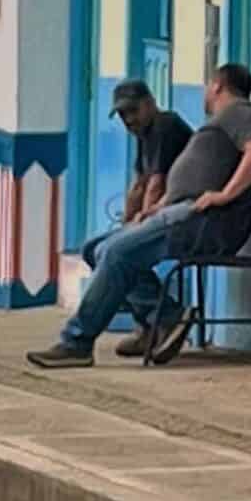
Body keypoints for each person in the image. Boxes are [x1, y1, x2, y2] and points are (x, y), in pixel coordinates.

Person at [29, 63, 251, 370]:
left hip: (201, 219)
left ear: (217, 86)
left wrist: (225, 194)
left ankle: (77, 342)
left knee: (116, 252)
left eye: (206, 86)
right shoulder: (219, 121)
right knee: (96, 248)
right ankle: (164, 319)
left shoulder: (240, 112)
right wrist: (157, 207)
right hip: (178, 212)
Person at [80, 80, 196, 359]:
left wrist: (137, 227)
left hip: (180, 218)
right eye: (122, 115)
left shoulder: (165, 126)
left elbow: (157, 183)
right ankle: (155, 321)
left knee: (118, 252)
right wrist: (127, 222)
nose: (128, 120)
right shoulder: (144, 136)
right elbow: (139, 183)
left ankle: (161, 318)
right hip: (161, 216)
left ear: (150, 103)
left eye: (132, 111)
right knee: (96, 250)